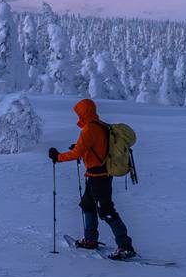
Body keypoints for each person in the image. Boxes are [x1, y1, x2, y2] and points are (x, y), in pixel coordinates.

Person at [48, 98, 137, 259]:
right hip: (98, 175)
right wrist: (78, 148)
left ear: (83, 112)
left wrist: (58, 157)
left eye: (78, 113)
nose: (77, 116)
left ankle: (125, 246)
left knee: (106, 211)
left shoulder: (89, 129)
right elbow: (95, 147)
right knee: (87, 205)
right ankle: (90, 240)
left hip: (99, 177)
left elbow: (78, 153)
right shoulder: (101, 125)